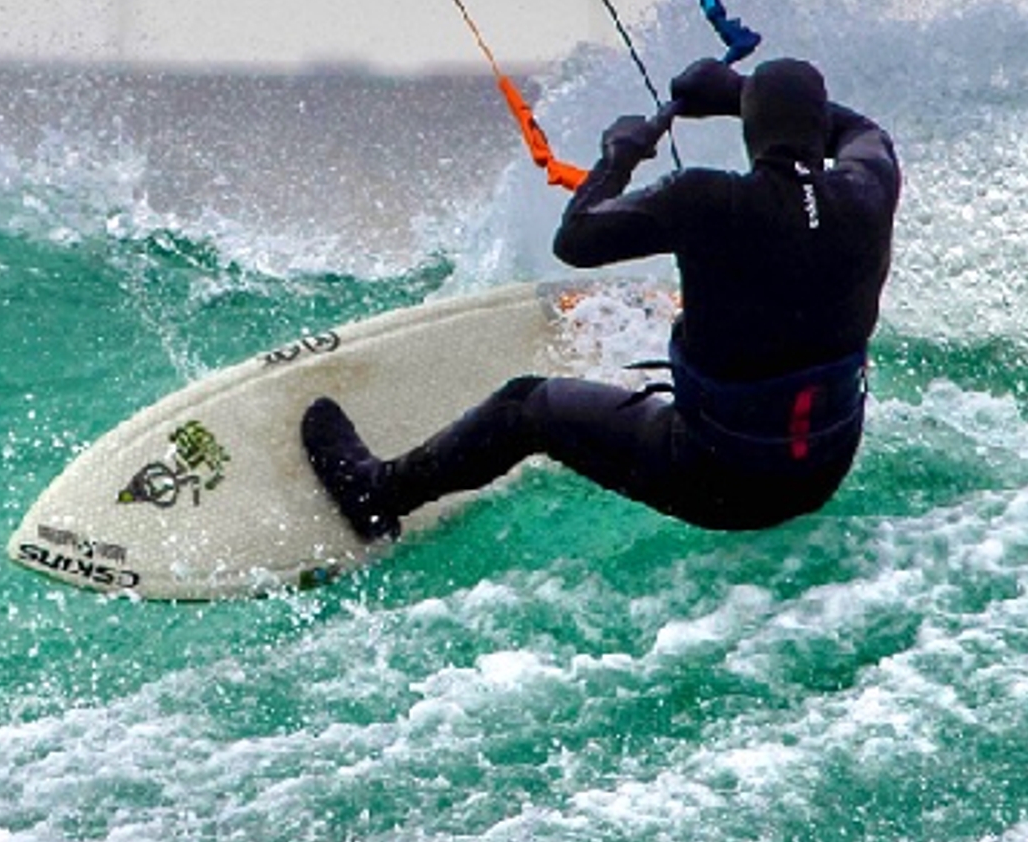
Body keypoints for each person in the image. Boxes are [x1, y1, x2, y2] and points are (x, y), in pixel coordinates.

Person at [301, 54, 899, 543]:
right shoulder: (868, 190)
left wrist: (619, 157)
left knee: (525, 407)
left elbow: (578, 239)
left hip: (721, 480)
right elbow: (866, 132)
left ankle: (375, 493)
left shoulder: (709, 201)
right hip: (822, 468)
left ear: (748, 130)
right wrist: (738, 90)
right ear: (818, 130)